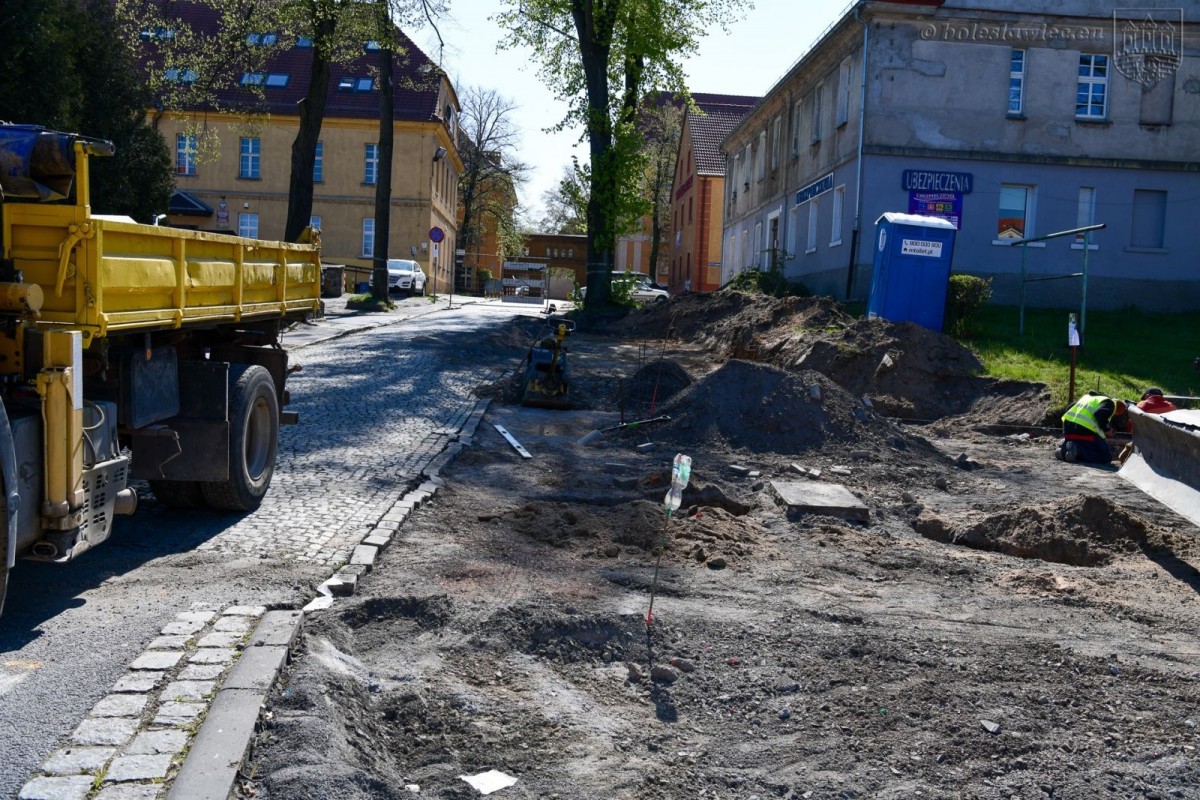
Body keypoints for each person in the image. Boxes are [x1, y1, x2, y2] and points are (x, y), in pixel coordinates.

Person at [1056, 392, 1124, 464]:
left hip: (1068, 429)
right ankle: (1078, 451)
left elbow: (1070, 407)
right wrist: (1107, 430)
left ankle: (1064, 450)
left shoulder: (1088, 397)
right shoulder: (1110, 404)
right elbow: (1100, 414)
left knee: (1082, 444)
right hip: (1085, 432)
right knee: (1106, 457)